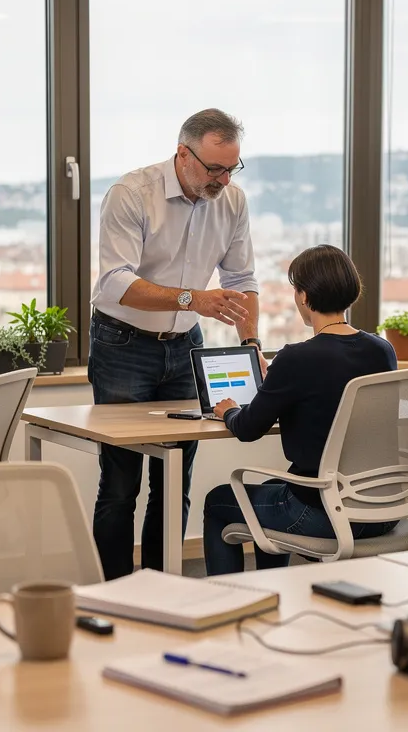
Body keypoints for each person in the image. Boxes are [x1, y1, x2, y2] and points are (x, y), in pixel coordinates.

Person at [87, 108, 261, 579]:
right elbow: (114, 282)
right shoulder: (132, 193)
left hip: (186, 346)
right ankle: (117, 589)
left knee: (173, 480)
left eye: (232, 168)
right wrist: (193, 298)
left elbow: (242, 280)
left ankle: (163, 586)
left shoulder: (233, 202)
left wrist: (252, 344)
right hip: (122, 344)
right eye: (214, 168)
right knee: (122, 481)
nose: (223, 179)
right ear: (183, 154)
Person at [202, 245, 397, 575]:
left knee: (219, 501)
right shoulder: (382, 350)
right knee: (268, 491)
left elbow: (248, 429)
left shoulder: (296, 358)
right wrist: (278, 382)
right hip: (380, 512)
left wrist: (229, 411)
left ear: (303, 296)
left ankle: (228, 604)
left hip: (320, 513)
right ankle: (276, 588)